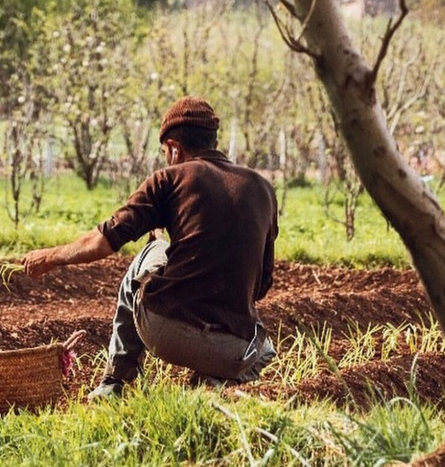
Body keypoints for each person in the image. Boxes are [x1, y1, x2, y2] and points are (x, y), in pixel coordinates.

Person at [21, 96, 278, 399]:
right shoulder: (263, 189)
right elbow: (260, 287)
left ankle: (115, 382)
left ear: (173, 147)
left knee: (153, 250)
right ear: (213, 140)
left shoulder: (167, 179)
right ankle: (215, 385)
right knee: (265, 350)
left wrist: (50, 257)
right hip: (233, 351)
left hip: (167, 332)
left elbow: (104, 241)